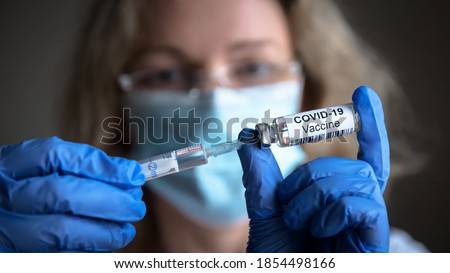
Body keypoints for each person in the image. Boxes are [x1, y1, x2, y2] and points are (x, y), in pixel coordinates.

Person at [0, 0, 427, 252]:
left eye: (253, 66)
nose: (215, 104)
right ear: (117, 104)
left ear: (308, 90)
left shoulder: (389, 258)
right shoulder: (51, 250)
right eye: (166, 74)